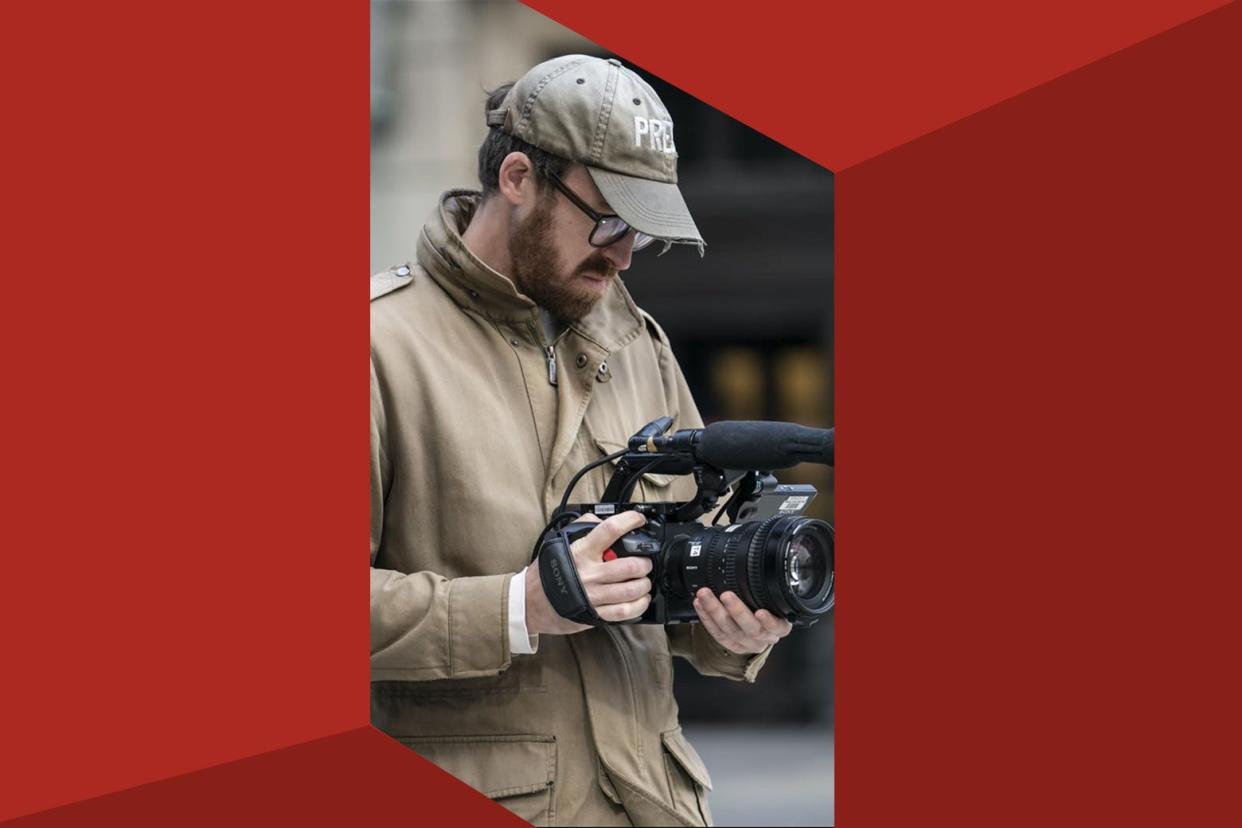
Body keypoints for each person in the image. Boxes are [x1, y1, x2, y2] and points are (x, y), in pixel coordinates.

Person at [370, 54, 792, 827]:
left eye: (645, 231)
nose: (626, 254)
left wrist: (737, 620)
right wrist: (516, 607)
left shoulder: (641, 345)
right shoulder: (377, 345)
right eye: (609, 220)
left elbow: (696, 556)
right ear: (519, 177)